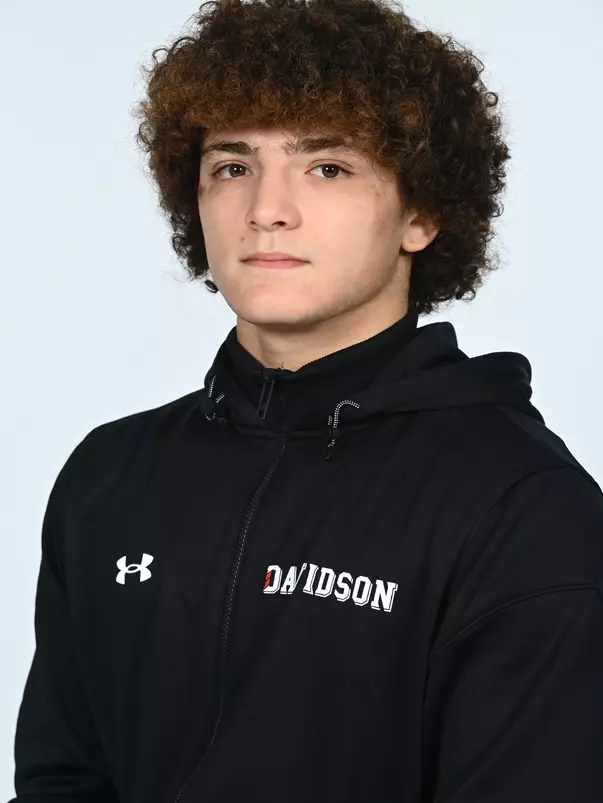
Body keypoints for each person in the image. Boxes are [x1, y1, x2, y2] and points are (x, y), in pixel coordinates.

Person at [8, 0, 603, 801]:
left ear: (420, 213)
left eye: (327, 166)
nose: (265, 208)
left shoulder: (522, 507)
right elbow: (63, 777)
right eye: (231, 166)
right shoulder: (109, 474)